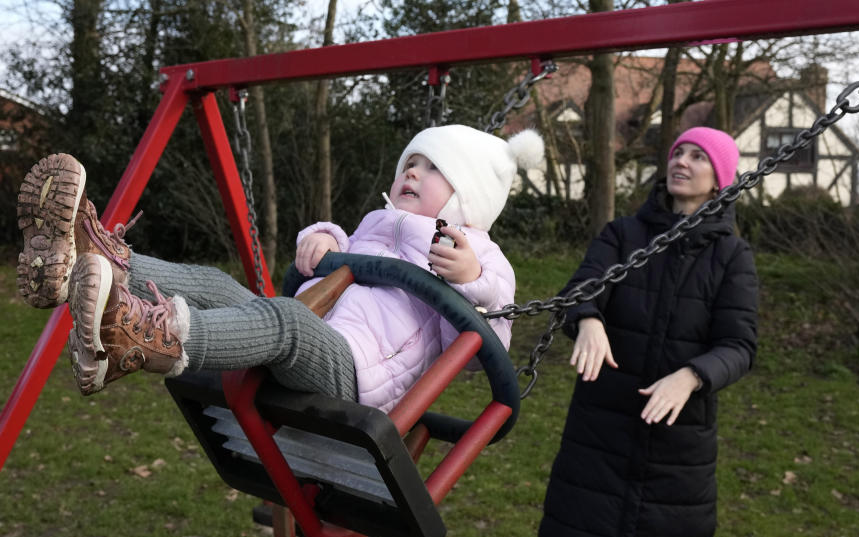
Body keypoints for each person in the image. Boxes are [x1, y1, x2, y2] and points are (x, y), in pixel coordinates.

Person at [17, 125, 544, 413]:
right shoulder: (378, 223)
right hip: (317, 329)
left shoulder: (478, 253)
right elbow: (348, 248)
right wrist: (324, 238)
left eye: (435, 169)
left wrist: (472, 277)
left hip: (356, 373)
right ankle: (87, 264)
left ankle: (146, 339)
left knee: (284, 323)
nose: (413, 171)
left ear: (469, 198)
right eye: (412, 161)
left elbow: (486, 344)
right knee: (218, 283)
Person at [537, 127, 758, 537]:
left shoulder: (731, 256)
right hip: (605, 424)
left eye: (699, 157)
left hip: (680, 434)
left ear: (719, 179)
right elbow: (584, 288)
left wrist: (692, 376)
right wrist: (589, 319)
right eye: (679, 151)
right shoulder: (623, 234)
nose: (682, 161)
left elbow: (739, 344)